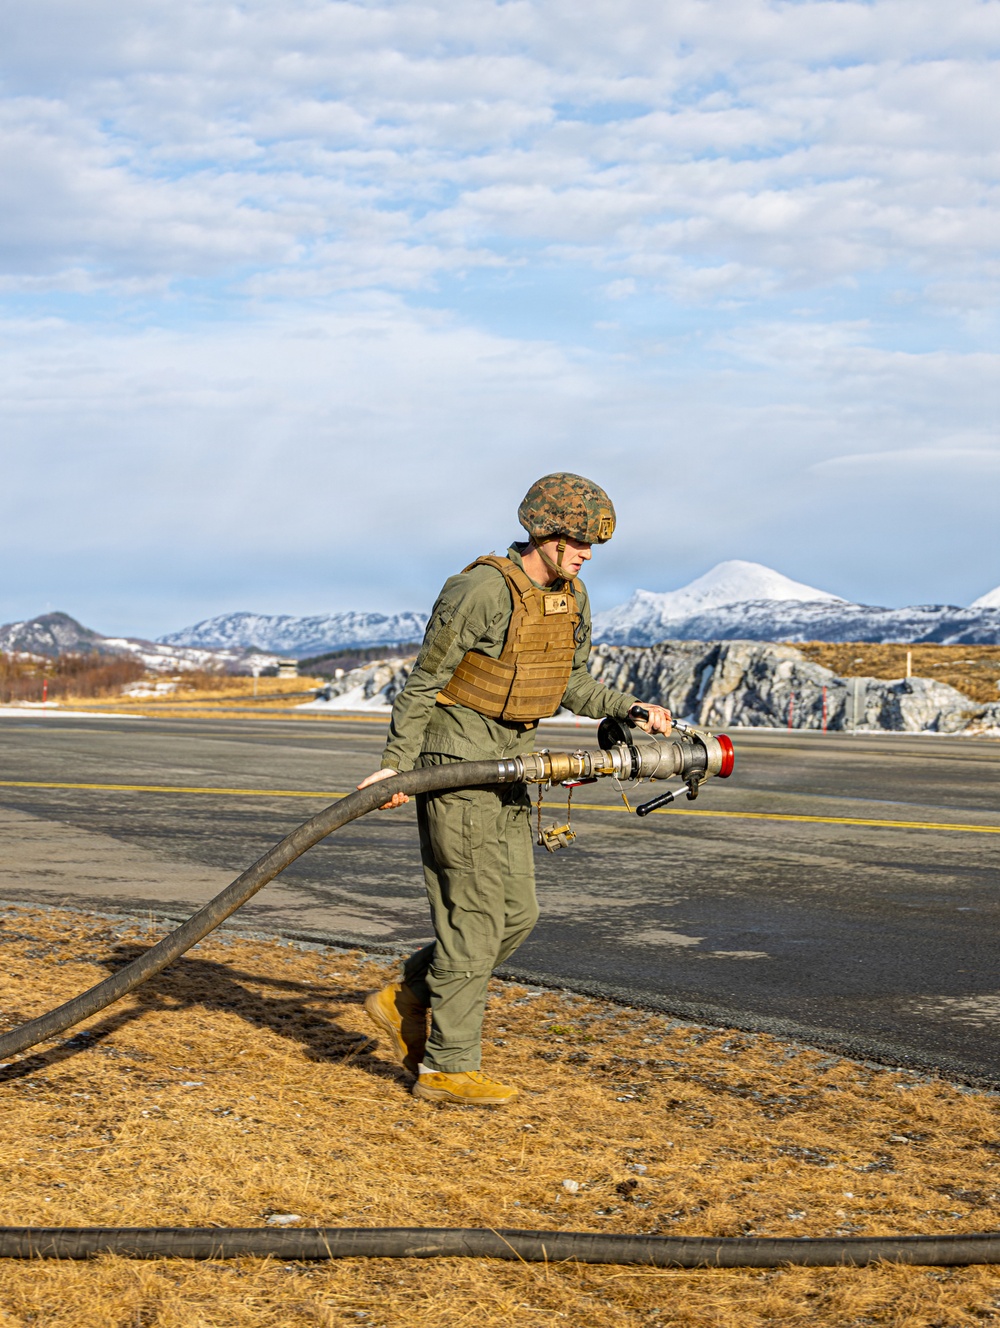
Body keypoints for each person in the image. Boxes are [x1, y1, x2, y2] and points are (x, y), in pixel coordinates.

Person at [357, 473, 671, 1105]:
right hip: (457, 761)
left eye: (591, 546)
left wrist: (629, 707)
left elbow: (569, 684)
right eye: (578, 542)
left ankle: (410, 994)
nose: (585, 554)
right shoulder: (478, 590)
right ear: (543, 534)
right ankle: (447, 1069)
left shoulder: (572, 598)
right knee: (472, 920)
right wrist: (396, 765)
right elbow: (423, 683)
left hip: (515, 765)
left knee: (517, 914)